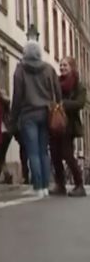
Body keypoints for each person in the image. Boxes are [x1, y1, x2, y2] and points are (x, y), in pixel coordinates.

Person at [11, 41, 61, 198]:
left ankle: (37, 187)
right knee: (43, 151)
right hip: (46, 113)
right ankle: (46, 186)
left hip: (28, 114)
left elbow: (17, 96)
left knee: (32, 151)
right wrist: (57, 106)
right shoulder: (49, 69)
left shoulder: (20, 69)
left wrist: (13, 117)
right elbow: (58, 91)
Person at [49, 57, 87, 197]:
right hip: (55, 123)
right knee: (54, 154)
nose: (62, 68)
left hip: (69, 125)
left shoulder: (78, 85)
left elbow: (80, 103)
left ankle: (79, 185)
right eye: (61, 65)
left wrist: (64, 104)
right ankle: (60, 184)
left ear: (72, 67)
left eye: (65, 65)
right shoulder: (57, 82)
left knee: (68, 154)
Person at [0, 89, 14, 184]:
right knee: (1, 156)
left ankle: (7, 175)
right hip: (8, 132)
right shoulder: (6, 104)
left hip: (0, 132)